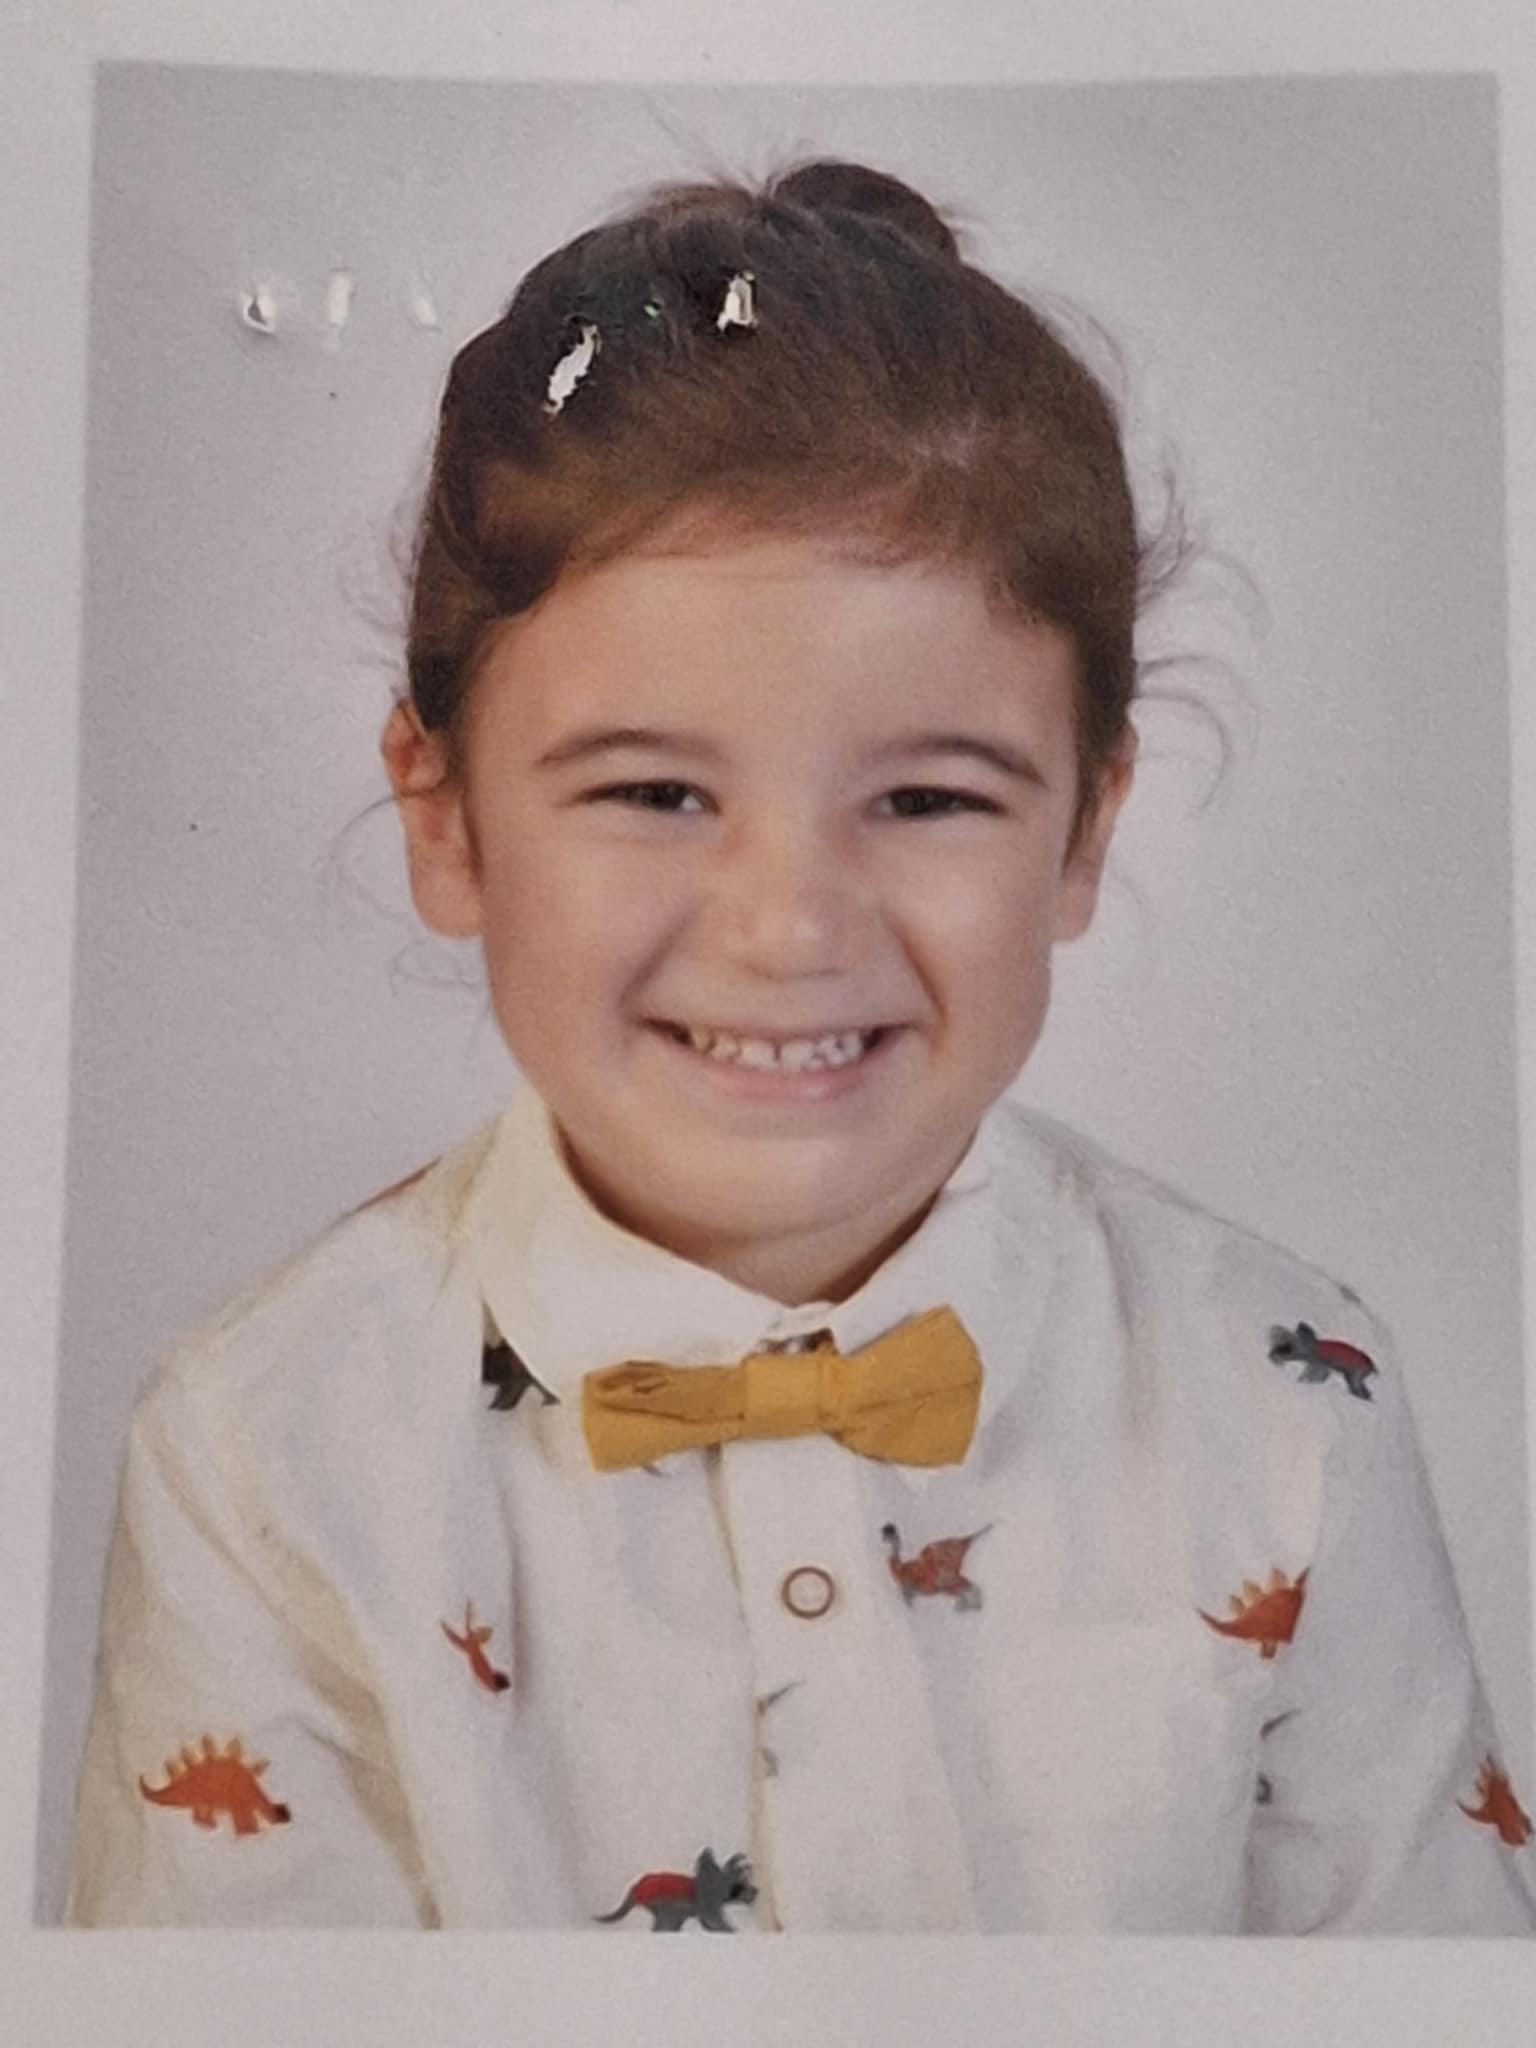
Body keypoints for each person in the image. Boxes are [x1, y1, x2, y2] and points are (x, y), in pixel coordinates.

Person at [64, 158, 1534, 1933]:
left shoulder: (1296, 1406)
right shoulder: (258, 1450)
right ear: (443, 816)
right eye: (654, 792)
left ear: (1084, 829)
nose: (788, 928)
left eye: (927, 799)